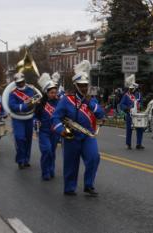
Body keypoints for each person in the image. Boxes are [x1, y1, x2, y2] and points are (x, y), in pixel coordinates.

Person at [52, 60, 105, 196]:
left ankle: (89, 185)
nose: (84, 88)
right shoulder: (66, 100)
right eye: (81, 85)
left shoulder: (91, 100)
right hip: (71, 136)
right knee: (71, 164)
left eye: (85, 85)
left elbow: (100, 113)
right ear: (76, 86)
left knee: (94, 157)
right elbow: (55, 118)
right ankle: (69, 188)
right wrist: (62, 131)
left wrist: (89, 102)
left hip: (87, 135)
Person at [34, 73, 60, 181]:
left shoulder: (59, 103)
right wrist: (35, 122)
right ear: (46, 92)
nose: (54, 94)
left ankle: (51, 168)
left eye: (55, 92)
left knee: (52, 151)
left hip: (55, 131)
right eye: (51, 92)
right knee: (47, 150)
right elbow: (35, 116)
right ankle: (45, 171)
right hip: (44, 132)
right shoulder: (40, 103)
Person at [8, 73, 36, 169]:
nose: (21, 84)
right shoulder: (13, 93)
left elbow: (34, 101)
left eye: (22, 82)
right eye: (19, 82)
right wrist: (25, 106)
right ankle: (20, 160)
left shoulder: (31, 90)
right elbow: (12, 106)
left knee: (28, 139)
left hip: (29, 118)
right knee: (20, 138)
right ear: (16, 83)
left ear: (24, 81)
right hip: (18, 119)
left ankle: (26, 159)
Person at [120, 75, 145, 150]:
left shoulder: (138, 95)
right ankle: (128, 144)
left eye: (132, 89)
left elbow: (141, 102)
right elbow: (121, 104)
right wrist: (126, 108)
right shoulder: (126, 96)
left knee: (140, 129)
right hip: (130, 114)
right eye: (130, 89)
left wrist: (140, 106)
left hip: (137, 114)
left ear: (134, 89)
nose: (130, 90)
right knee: (129, 130)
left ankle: (139, 144)